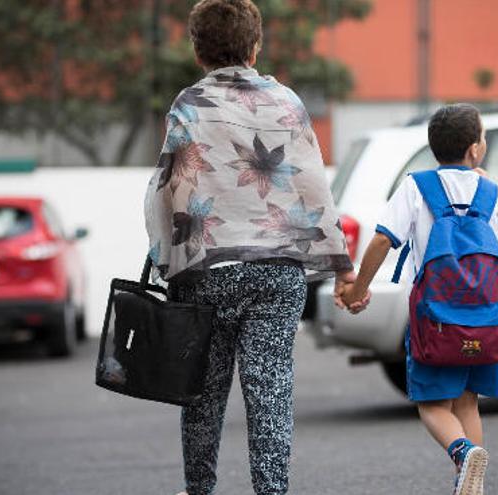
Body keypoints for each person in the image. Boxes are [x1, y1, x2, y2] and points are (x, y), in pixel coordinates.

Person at [143, 1, 369, 493]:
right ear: (256, 44)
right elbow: (313, 187)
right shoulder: (286, 101)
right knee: (271, 394)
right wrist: (342, 268)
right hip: (277, 271)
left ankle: (199, 490)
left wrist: (165, 259)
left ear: (197, 49)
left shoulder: (189, 104)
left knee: (202, 396)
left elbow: (170, 186)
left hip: (208, 270)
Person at [338, 104, 498, 494]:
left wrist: (358, 289)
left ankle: (462, 453)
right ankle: (471, 479)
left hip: (437, 321)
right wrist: (489, 185)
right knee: (467, 403)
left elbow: (381, 240)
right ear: (475, 150)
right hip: (486, 320)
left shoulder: (416, 187)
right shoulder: (492, 190)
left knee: (432, 406)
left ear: (433, 148)